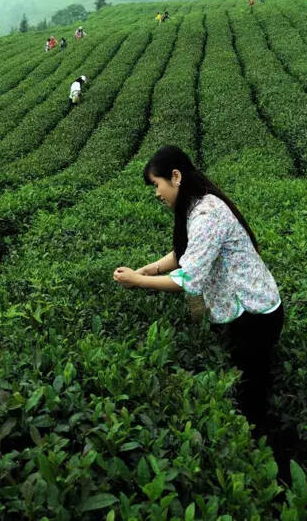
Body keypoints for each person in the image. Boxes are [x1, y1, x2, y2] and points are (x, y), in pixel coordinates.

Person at [112, 145, 283, 432]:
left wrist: (138, 281)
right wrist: (148, 269)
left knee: (251, 400)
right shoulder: (197, 206)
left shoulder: (206, 214)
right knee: (247, 387)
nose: (156, 193)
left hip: (255, 317)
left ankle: (265, 451)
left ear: (175, 177)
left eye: (157, 184)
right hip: (245, 314)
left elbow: (188, 279)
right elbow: (185, 253)